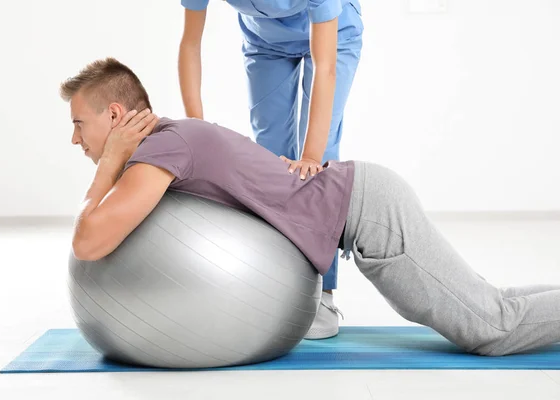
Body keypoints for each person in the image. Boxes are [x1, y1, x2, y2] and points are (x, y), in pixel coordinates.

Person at [61, 58, 560, 356]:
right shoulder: (171, 140)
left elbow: (90, 241)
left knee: (490, 327)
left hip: (368, 212)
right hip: (363, 203)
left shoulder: (162, 150)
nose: (74, 138)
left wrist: (106, 169)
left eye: (80, 123)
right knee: (490, 301)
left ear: (115, 114)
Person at [178, 0, 364, 339]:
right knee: (268, 158)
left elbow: (325, 68)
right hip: (264, 43)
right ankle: (279, 283)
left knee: (319, 166)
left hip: (333, 34)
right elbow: (190, 42)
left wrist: (309, 156)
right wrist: (195, 125)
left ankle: (321, 291)